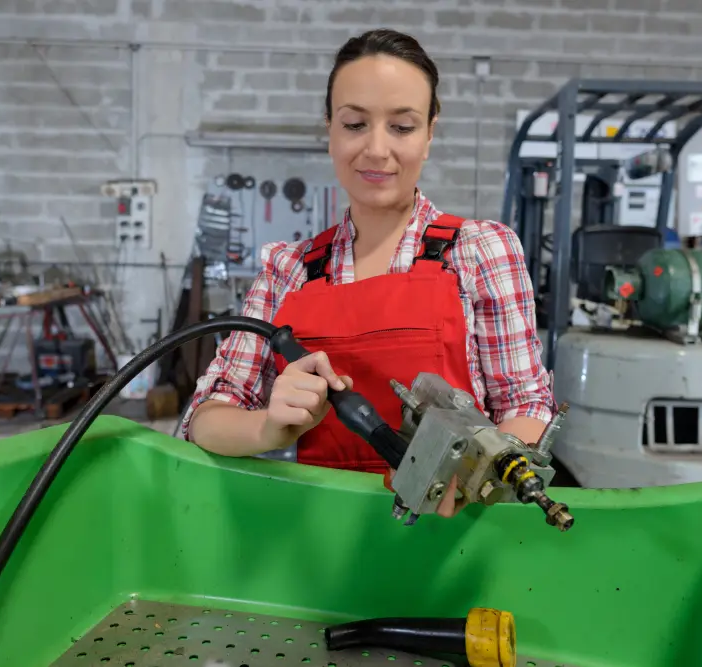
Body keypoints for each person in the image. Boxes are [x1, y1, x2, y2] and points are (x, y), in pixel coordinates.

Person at [182, 28, 554, 517]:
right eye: (355, 124)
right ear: (330, 130)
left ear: (430, 134)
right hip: (318, 538)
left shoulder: (481, 250)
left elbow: (525, 403)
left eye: (402, 127)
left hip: (454, 537)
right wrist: (266, 427)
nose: (377, 150)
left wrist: (479, 477)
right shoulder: (287, 269)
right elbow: (205, 417)